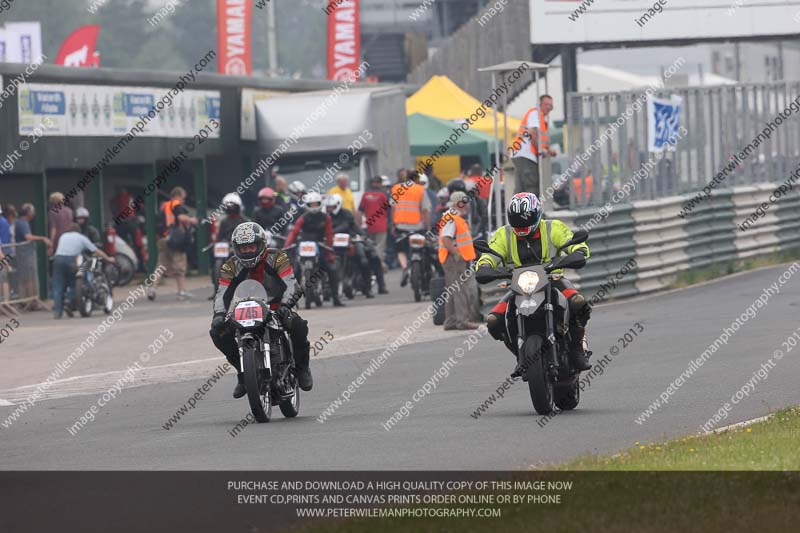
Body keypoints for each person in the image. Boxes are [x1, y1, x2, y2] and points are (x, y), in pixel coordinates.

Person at [475, 192, 592, 375]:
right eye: (516, 220)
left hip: (553, 279)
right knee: (493, 321)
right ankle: (520, 354)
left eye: (525, 219)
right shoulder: (504, 234)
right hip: (518, 285)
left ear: (537, 213)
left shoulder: (553, 227)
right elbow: (490, 254)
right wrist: (484, 266)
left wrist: (578, 252)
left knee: (578, 303)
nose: (521, 225)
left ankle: (577, 349)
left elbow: (571, 242)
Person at [209, 222, 313, 396]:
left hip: (276, 308)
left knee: (299, 326)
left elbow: (291, 285)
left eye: (252, 246)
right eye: (244, 248)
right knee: (217, 332)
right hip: (243, 310)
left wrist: (286, 306)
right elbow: (222, 294)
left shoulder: (278, 257)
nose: (248, 251)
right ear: (236, 248)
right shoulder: (230, 265)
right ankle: (243, 374)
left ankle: (303, 368)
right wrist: (219, 315)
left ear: (262, 244)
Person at [284, 191, 345, 307]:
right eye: (311, 204)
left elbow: (329, 234)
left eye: (316, 204)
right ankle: (292, 299)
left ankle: (336, 298)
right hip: (304, 245)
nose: (314, 206)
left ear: (320, 204)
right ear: (307, 205)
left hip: (320, 245)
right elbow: (294, 232)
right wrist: (287, 245)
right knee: (295, 270)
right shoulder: (303, 218)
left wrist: (329, 251)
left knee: (332, 270)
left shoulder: (326, 218)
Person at [51, 223, 115, 319]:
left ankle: (57, 313)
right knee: (74, 283)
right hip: (72, 260)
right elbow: (96, 251)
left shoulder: (63, 236)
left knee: (58, 286)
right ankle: (69, 301)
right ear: (79, 231)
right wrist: (108, 258)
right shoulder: (82, 238)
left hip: (58, 259)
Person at [326, 194, 385, 297]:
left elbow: (350, 226)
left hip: (350, 241)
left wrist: (364, 237)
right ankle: (325, 289)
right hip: (333, 244)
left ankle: (368, 288)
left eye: (332, 207)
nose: (330, 209)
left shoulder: (346, 214)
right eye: (329, 207)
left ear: (339, 205)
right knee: (323, 261)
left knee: (364, 260)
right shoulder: (326, 216)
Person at [438, 191, 481, 330]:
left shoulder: (452, 217)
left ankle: (451, 321)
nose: (467, 205)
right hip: (454, 260)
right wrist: (456, 253)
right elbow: (446, 238)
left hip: (452, 259)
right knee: (460, 290)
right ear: (459, 203)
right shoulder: (452, 218)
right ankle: (462, 321)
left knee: (452, 290)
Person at [148, 187, 198, 302]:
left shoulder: (164, 206)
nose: (183, 201)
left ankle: (152, 289)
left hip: (162, 239)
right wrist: (191, 220)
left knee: (160, 266)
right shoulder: (176, 204)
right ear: (178, 196)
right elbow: (180, 217)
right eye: (183, 198)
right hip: (175, 240)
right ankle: (181, 292)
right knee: (180, 267)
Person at [390, 170, 431, 287]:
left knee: (400, 249)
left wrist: (393, 224)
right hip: (417, 227)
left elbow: (393, 208)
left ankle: (404, 268)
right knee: (423, 249)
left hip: (400, 226)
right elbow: (425, 211)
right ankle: (422, 269)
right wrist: (428, 227)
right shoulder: (420, 190)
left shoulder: (396, 188)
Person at [511, 95, 557, 196]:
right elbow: (532, 133)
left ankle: (518, 210)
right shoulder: (535, 114)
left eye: (550, 106)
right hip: (526, 155)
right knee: (531, 185)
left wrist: (548, 150)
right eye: (546, 104)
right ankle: (530, 210)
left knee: (521, 188)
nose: (549, 107)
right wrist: (541, 150)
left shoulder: (541, 119)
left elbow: (541, 140)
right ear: (540, 105)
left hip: (521, 155)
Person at [358, 176, 390, 291]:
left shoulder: (365, 195)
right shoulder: (382, 196)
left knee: (370, 252)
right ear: (380, 184)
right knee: (379, 252)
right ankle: (382, 266)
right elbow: (389, 211)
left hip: (368, 227)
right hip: (381, 227)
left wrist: (358, 227)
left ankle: (374, 275)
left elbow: (359, 211)